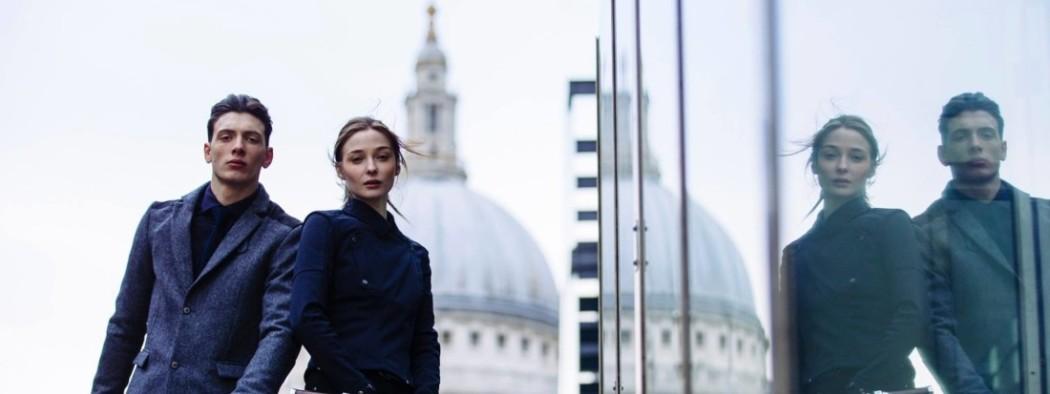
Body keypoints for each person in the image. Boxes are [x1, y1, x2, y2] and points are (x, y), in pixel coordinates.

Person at [92, 94, 301, 393]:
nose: (238, 147)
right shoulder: (159, 221)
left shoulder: (285, 235)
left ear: (267, 156)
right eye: (226, 137)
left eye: (251, 139)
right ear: (208, 150)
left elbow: (279, 333)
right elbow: (126, 324)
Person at [290, 116, 440, 394]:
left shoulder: (416, 256)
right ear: (340, 170)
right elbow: (306, 315)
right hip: (335, 387)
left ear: (396, 166)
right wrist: (359, 389)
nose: (371, 168)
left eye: (382, 157)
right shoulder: (324, 227)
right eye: (357, 159)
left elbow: (424, 341)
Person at [916, 92, 1050, 393]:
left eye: (986, 134)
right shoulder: (924, 233)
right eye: (962, 135)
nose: (975, 144)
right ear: (943, 153)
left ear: (1003, 148)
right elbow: (936, 332)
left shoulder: (1045, 217)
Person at [782, 115, 926, 393]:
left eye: (856, 157)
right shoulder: (795, 255)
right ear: (815, 164)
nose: (842, 167)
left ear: (871, 168)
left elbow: (911, 314)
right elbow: (792, 350)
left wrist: (861, 386)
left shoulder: (891, 225)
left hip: (884, 387)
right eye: (831, 155)